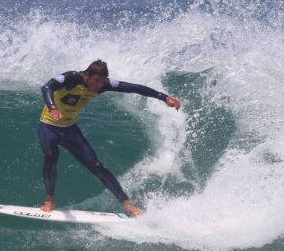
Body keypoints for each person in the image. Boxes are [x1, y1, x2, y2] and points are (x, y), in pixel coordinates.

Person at [38, 59, 181, 216]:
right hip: (49, 127)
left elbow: (133, 88)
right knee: (51, 156)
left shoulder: (103, 84)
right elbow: (46, 87)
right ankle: (50, 198)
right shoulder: (70, 78)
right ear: (87, 76)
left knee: (97, 165)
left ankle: (127, 204)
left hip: (70, 130)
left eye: (102, 81)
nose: (99, 85)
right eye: (97, 81)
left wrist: (164, 97)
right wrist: (52, 108)